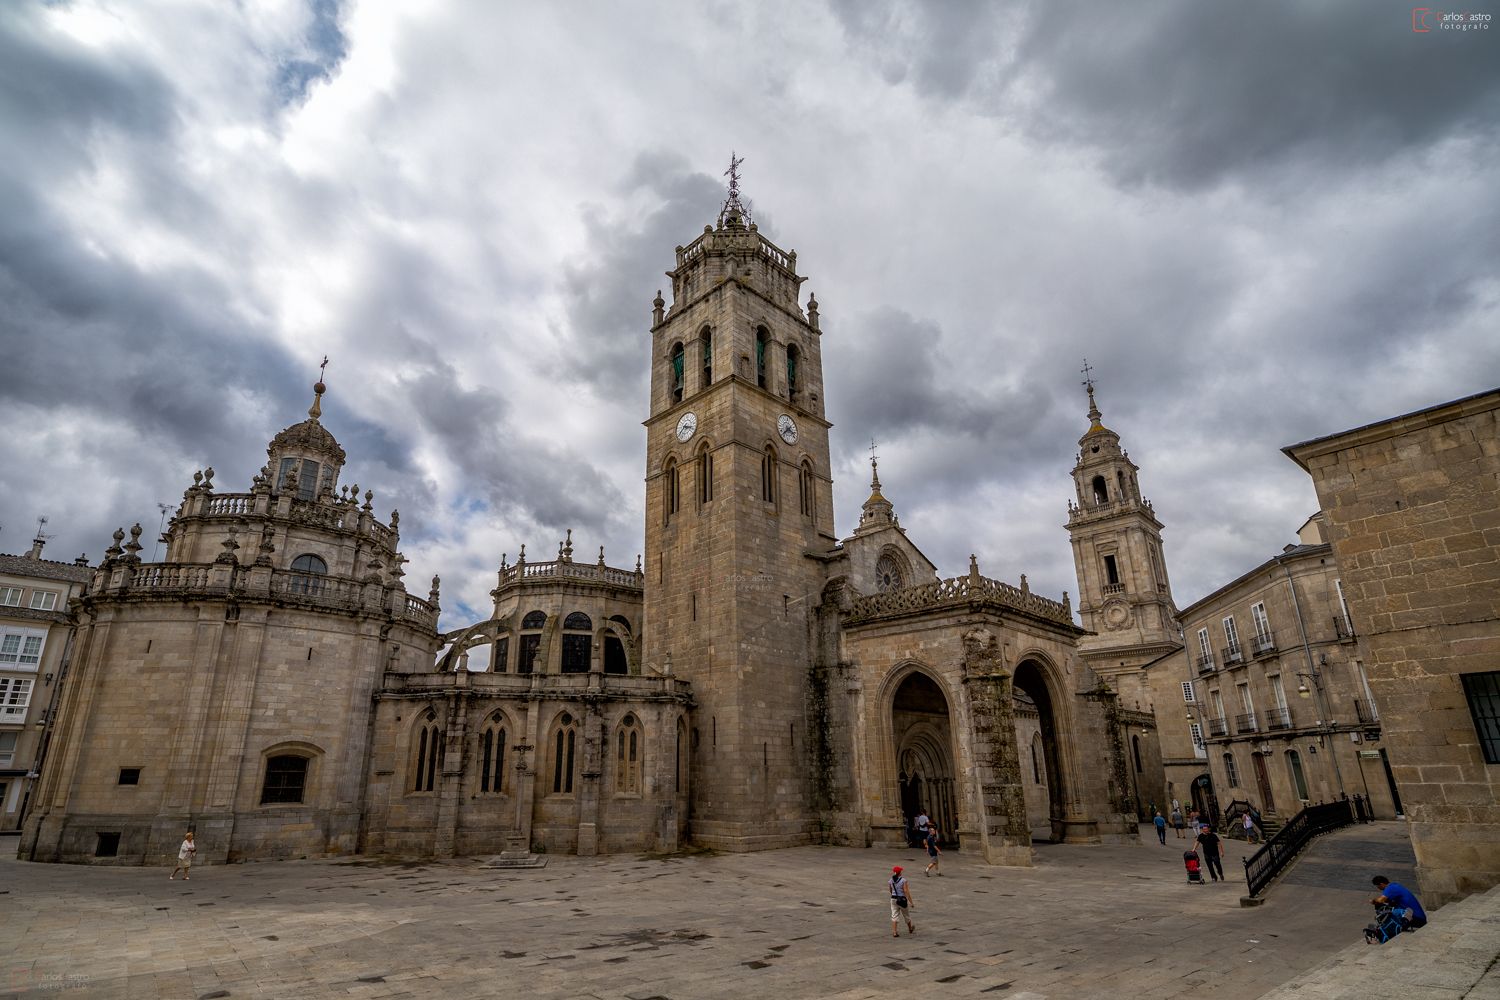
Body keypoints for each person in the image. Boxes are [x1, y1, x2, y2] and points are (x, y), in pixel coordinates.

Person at [889, 865, 915, 936]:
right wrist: (911, 902)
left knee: (894, 915)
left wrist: (894, 895)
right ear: (899, 872)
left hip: (893, 899)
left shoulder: (891, 880)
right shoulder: (903, 880)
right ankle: (910, 929)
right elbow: (906, 891)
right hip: (902, 899)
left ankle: (894, 932)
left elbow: (890, 890)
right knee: (906, 914)